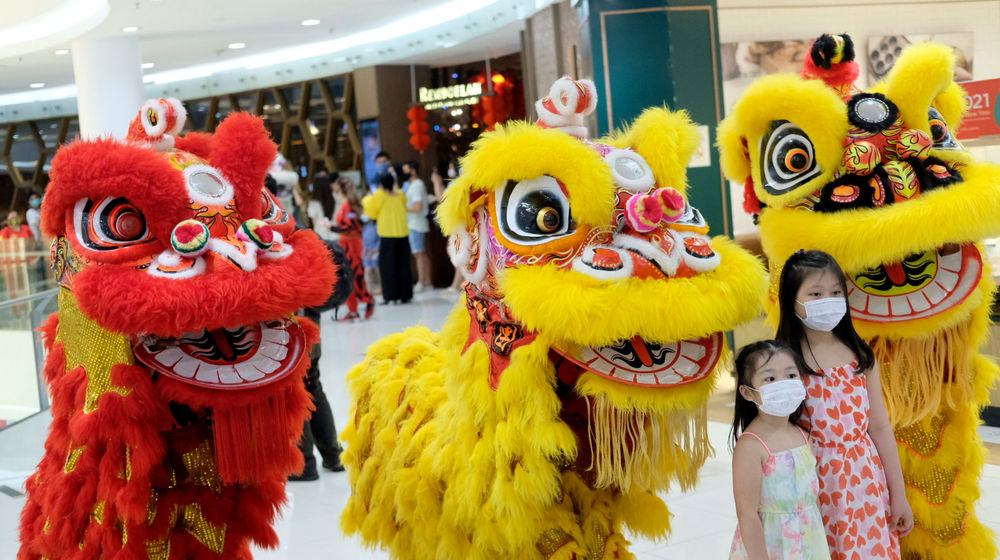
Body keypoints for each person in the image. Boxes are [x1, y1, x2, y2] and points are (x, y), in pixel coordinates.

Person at [775, 250, 913, 558]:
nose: (828, 300)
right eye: (815, 293)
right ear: (791, 300)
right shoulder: (785, 363)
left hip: (866, 481)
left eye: (836, 292)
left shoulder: (859, 355)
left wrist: (899, 494)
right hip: (813, 484)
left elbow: (880, 427)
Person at [729, 339, 830, 560]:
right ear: (748, 393)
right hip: (771, 547)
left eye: (791, 375)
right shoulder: (751, 446)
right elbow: (747, 515)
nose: (783, 383)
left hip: (810, 544)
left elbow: (813, 499)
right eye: (770, 378)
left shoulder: (803, 435)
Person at [363, 170, 412, 304]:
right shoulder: (400, 195)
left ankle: (390, 296)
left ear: (381, 184)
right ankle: (405, 295)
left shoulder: (380, 196)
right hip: (403, 235)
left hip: (387, 237)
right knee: (403, 266)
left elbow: (371, 213)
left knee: (387, 267)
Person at [333, 175, 375, 321]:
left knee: (354, 275)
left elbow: (350, 227)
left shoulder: (347, 205)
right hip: (347, 244)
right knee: (349, 276)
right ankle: (353, 309)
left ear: (339, 188)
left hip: (352, 245)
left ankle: (366, 301)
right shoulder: (346, 204)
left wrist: (331, 227)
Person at [402, 160, 432, 292]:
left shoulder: (417, 185)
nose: (404, 173)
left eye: (406, 170)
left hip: (416, 224)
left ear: (413, 170)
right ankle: (426, 280)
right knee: (421, 253)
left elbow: (418, 207)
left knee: (419, 253)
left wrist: (402, 208)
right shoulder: (412, 185)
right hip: (414, 223)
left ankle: (422, 281)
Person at [307, 173, 338, 241]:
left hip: (321, 237)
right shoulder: (335, 197)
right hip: (336, 235)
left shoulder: (314, 203)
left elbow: (314, 223)